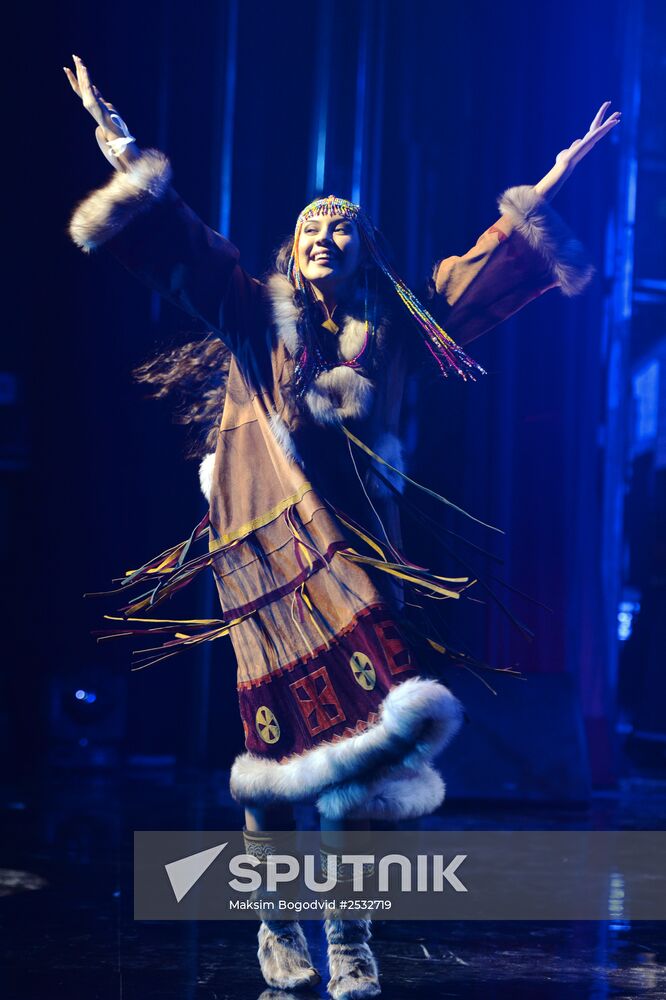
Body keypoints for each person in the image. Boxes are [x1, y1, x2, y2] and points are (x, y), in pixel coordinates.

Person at [64, 54, 620, 998]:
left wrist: (556, 180)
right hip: (275, 569)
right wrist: (122, 150)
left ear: (368, 249)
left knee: (362, 749)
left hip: (363, 559)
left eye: (345, 225)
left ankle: (350, 933)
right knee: (281, 750)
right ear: (294, 247)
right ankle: (277, 924)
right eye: (313, 223)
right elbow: (189, 246)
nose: (328, 231)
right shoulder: (256, 313)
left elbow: (486, 267)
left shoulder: (403, 322)